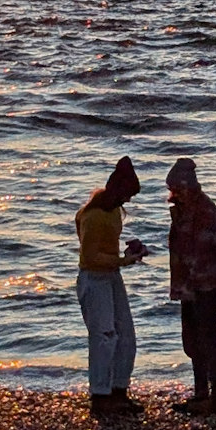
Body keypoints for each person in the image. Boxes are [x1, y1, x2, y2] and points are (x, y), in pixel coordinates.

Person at [76, 156, 148, 416]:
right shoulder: (93, 216)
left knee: (125, 335)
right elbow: (90, 257)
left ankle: (119, 389)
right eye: (127, 194)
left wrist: (129, 251)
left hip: (111, 276)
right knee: (104, 336)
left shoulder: (114, 212)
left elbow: (105, 246)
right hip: (94, 278)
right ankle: (100, 394)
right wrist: (122, 261)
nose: (128, 201)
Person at [166, 157, 216, 415]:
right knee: (192, 341)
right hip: (189, 286)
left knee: (209, 340)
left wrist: (190, 282)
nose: (172, 195)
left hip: (205, 287)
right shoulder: (184, 210)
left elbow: (205, 253)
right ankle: (201, 394)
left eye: (175, 189)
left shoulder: (205, 211)